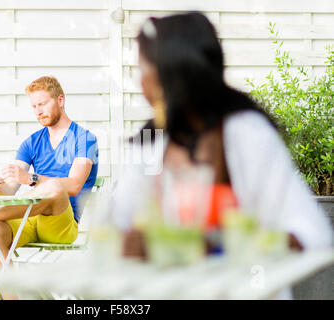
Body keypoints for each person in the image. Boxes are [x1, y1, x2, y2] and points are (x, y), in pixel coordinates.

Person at [112, 12, 332, 281]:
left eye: (143, 69)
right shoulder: (150, 139)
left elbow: (313, 235)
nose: (140, 82)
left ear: (170, 72)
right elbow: (117, 225)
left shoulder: (247, 134)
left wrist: (223, 246)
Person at [0, 76, 99, 271]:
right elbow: (9, 191)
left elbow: (74, 185)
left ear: (60, 100)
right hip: (29, 218)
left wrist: (30, 179)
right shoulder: (31, 142)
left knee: (53, 187)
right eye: (34, 106)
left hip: (61, 223)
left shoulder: (85, 139)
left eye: (43, 104)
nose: (38, 111)